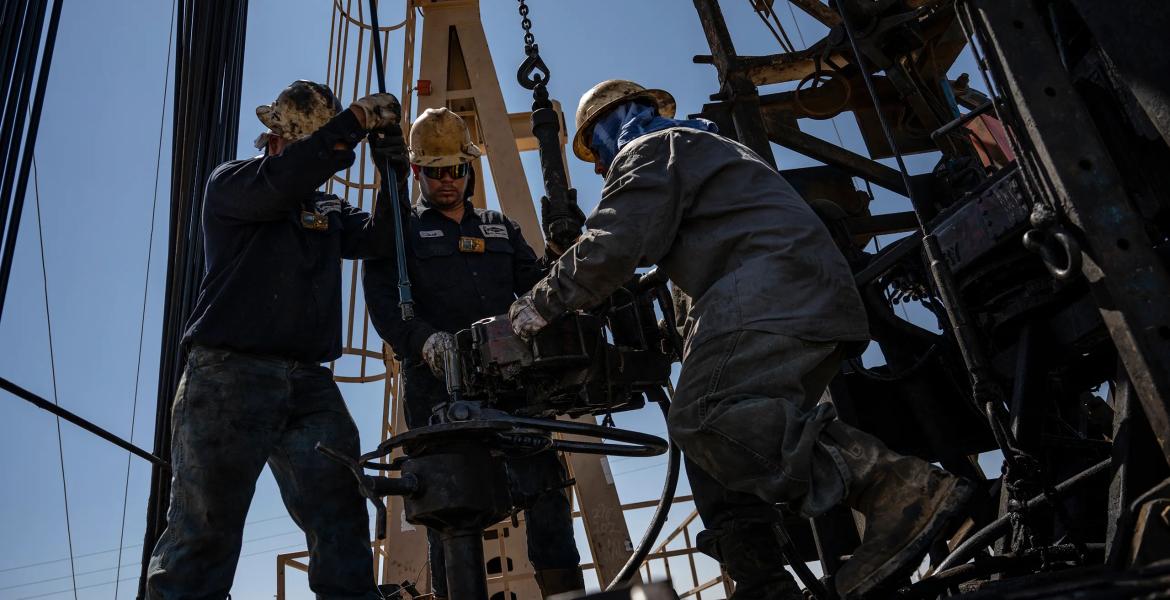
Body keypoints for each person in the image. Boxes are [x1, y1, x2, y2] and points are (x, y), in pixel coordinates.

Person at [508, 79, 975, 599]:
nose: (598, 166)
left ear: (610, 128)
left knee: (705, 413)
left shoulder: (650, 148)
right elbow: (692, 254)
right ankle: (774, 576)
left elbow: (614, 243)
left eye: (595, 150)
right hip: (798, 295)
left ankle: (897, 489)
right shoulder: (706, 149)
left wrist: (534, 309)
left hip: (771, 293)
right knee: (729, 438)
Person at [146, 80, 407, 600]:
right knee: (206, 527)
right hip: (227, 375)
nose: (331, 161)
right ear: (278, 138)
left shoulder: (326, 209)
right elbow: (284, 182)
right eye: (319, 145)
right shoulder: (235, 185)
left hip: (309, 383)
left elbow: (381, 238)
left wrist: (392, 171)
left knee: (340, 510)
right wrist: (353, 122)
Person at [363, 107, 585, 599]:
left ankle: (566, 595)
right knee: (452, 512)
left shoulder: (500, 228)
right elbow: (383, 305)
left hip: (513, 391)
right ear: (417, 172)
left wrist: (558, 254)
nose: (447, 181)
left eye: (456, 170)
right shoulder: (399, 237)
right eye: (435, 172)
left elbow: (536, 291)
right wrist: (423, 341)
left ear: (470, 169)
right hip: (438, 393)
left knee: (547, 493)